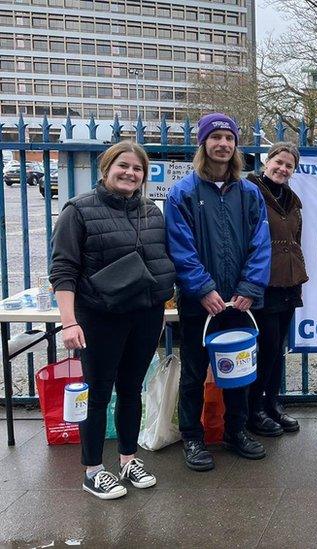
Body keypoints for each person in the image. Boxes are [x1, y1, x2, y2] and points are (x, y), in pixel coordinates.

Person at [50, 140, 175, 499]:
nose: (130, 173)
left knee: (132, 390)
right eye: (123, 166)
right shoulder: (78, 210)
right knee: (98, 392)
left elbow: (159, 257)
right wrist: (70, 321)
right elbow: (63, 269)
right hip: (100, 317)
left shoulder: (150, 211)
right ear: (106, 168)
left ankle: (128, 459)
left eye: (137, 169)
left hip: (145, 314)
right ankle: (93, 470)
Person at [166, 113, 271, 471]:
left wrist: (249, 288)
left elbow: (261, 242)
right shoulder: (183, 193)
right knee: (194, 372)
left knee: (238, 370)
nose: (223, 144)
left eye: (229, 138)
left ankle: (236, 431)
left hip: (239, 300)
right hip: (201, 303)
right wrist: (202, 289)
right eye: (216, 138)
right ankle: (192, 437)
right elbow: (180, 247)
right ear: (203, 143)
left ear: (236, 145)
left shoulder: (249, 192)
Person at [244, 143, 307, 436]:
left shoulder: (291, 199)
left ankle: (272, 404)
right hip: (262, 283)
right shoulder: (249, 191)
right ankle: (253, 409)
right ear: (266, 161)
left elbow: (295, 237)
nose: (282, 169)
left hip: (289, 282)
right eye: (278, 162)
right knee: (265, 349)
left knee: (277, 348)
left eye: (289, 165)